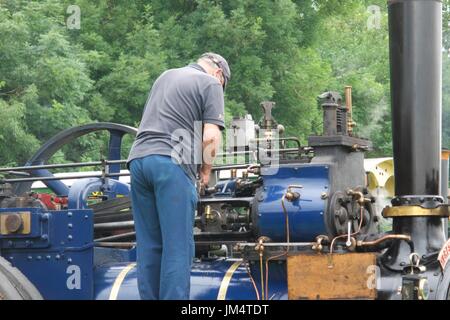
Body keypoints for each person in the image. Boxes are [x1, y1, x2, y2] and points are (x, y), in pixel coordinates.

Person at [127, 52, 230, 300]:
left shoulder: (166, 75)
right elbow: (210, 137)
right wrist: (205, 172)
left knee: (150, 247)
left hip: (138, 162)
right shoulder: (211, 83)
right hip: (171, 164)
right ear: (219, 74)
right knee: (177, 248)